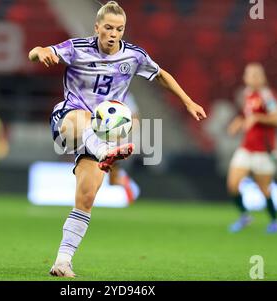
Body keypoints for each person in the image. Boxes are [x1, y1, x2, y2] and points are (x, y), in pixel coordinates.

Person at [28, 1, 206, 277]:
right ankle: (104, 153)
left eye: (119, 29)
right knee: (83, 119)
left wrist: (188, 101)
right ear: (97, 27)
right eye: (108, 27)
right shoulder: (78, 48)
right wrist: (39, 52)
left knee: (86, 198)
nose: (113, 33)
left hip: (101, 135)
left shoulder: (133, 56)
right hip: (70, 122)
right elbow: (38, 52)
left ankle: (63, 261)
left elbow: (161, 76)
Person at [227, 63, 277, 233]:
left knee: (264, 189)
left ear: (261, 78)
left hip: (264, 151)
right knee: (233, 184)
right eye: (248, 74)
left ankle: (275, 221)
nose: (250, 77)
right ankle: (245, 216)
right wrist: (239, 122)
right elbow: (247, 115)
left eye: (254, 75)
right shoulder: (248, 94)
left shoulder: (267, 96)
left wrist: (258, 118)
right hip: (246, 148)